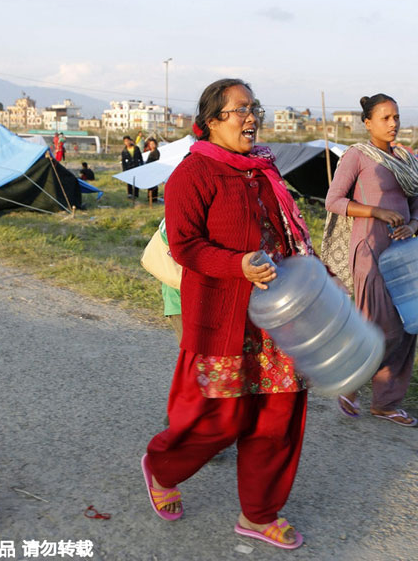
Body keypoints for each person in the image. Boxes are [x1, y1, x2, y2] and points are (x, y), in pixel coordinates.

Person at [144, 78, 312, 550]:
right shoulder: (193, 174)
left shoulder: (263, 171)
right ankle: (162, 467)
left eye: (254, 107)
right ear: (212, 120)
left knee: (277, 418)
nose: (251, 117)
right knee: (218, 419)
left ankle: (259, 513)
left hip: (279, 316)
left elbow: (288, 235)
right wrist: (236, 265)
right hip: (225, 317)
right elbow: (185, 246)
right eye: (240, 110)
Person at [324, 93, 418, 428]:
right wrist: (377, 212)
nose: (393, 124)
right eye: (385, 118)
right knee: (380, 325)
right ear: (367, 122)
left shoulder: (406, 159)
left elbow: (417, 206)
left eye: (396, 117)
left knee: (408, 326)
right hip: (370, 247)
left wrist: (412, 225)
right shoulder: (357, 156)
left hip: (403, 251)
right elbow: (334, 201)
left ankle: (386, 401)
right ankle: (350, 384)